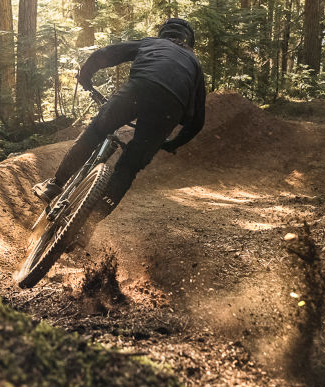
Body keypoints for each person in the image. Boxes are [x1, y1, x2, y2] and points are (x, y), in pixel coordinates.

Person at [32, 18, 206, 242]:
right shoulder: (194, 64)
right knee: (128, 168)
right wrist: (171, 143)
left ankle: (55, 185)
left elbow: (107, 53)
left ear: (164, 33)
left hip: (139, 90)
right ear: (189, 41)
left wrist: (86, 76)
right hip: (169, 109)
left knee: (96, 131)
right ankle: (87, 227)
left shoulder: (151, 43)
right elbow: (197, 121)